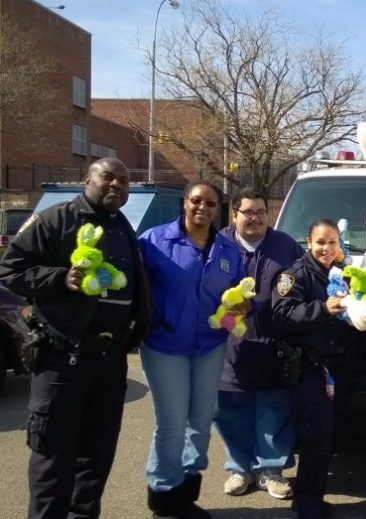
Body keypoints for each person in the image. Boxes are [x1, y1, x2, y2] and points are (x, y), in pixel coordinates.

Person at [0, 158, 152, 519]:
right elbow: (11, 270)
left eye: (124, 180)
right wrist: (59, 279)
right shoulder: (57, 220)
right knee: (53, 457)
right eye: (108, 177)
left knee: (95, 459)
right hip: (61, 359)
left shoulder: (121, 227)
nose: (116, 184)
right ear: (87, 179)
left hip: (109, 360)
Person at [139, 180, 246, 519]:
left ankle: (185, 493)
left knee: (200, 420)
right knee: (172, 422)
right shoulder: (154, 242)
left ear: (219, 208)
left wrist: (241, 309)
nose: (203, 208)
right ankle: (163, 495)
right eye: (196, 201)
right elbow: (136, 291)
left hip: (209, 346)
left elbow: (238, 297)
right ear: (185, 203)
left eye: (211, 204)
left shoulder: (228, 251)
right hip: (165, 345)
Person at [213, 188, 303, 499]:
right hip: (228, 344)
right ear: (234, 215)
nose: (255, 218)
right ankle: (240, 469)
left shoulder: (285, 245)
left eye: (261, 212)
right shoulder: (218, 244)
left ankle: (271, 470)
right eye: (248, 212)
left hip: (273, 344)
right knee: (230, 410)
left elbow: (301, 281)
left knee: (273, 408)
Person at [271, 218, 357, 519]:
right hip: (309, 369)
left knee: (328, 439)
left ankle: (311, 499)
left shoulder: (344, 273)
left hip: (337, 368)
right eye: (320, 242)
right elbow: (281, 315)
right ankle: (308, 507)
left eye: (332, 242)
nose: (326, 248)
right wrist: (324, 308)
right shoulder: (294, 275)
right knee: (315, 440)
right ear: (309, 243)